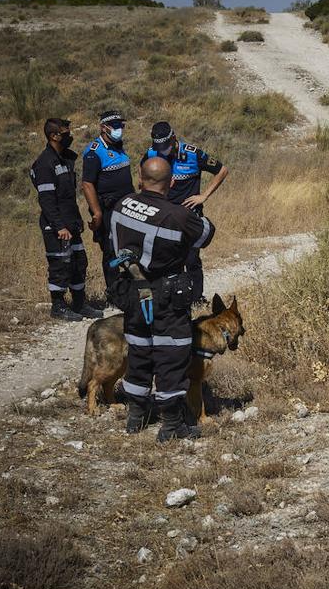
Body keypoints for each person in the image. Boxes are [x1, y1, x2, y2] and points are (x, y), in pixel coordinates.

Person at [112, 156, 216, 442]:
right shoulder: (177, 215)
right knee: (171, 354)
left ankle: (136, 416)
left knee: (139, 351)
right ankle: (171, 424)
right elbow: (206, 234)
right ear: (171, 182)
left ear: (140, 178)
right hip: (166, 295)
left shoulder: (122, 204)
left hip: (132, 291)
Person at [141, 121, 229, 304]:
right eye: (159, 147)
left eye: (165, 147)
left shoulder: (193, 154)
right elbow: (143, 173)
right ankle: (171, 296)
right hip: (163, 216)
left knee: (191, 259)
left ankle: (196, 298)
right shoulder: (152, 153)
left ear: (174, 138)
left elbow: (222, 170)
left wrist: (203, 196)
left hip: (189, 217)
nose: (162, 151)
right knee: (167, 258)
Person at [29, 118, 103, 321]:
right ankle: (58, 306)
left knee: (79, 262)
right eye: (65, 133)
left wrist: (77, 222)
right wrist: (59, 226)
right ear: (54, 136)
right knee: (60, 264)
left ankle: (79, 303)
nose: (69, 136)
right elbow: (47, 200)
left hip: (72, 222)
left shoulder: (66, 159)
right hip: (57, 226)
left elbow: (68, 196)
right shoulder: (45, 164)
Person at [81, 110, 135, 302]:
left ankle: (129, 286)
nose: (121, 129)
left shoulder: (118, 146)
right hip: (108, 209)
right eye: (116, 126)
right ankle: (114, 294)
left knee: (130, 247)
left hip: (127, 207)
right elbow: (87, 184)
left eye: (122, 125)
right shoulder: (94, 152)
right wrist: (96, 212)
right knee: (112, 251)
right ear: (104, 127)